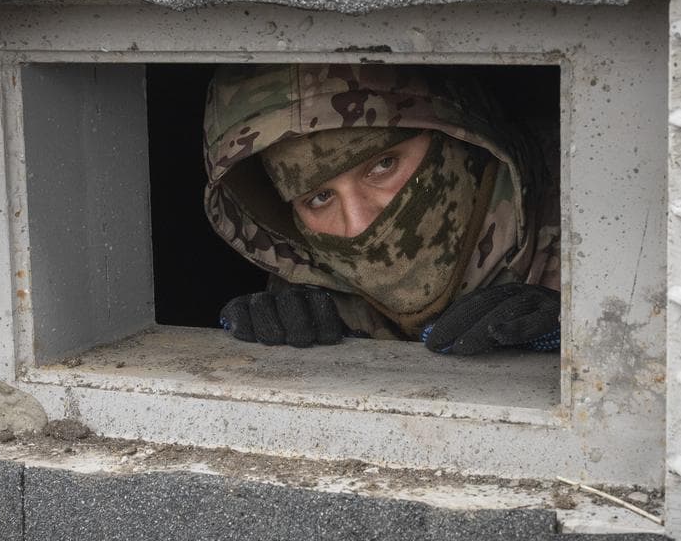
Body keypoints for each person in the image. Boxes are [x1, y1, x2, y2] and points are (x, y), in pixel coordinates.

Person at [202, 63, 560, 355]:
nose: (359, 225)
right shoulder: (308, 286)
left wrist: (577, 333)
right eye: (319, 198)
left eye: (383, 165)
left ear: (459, 140)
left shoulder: (595, 220)